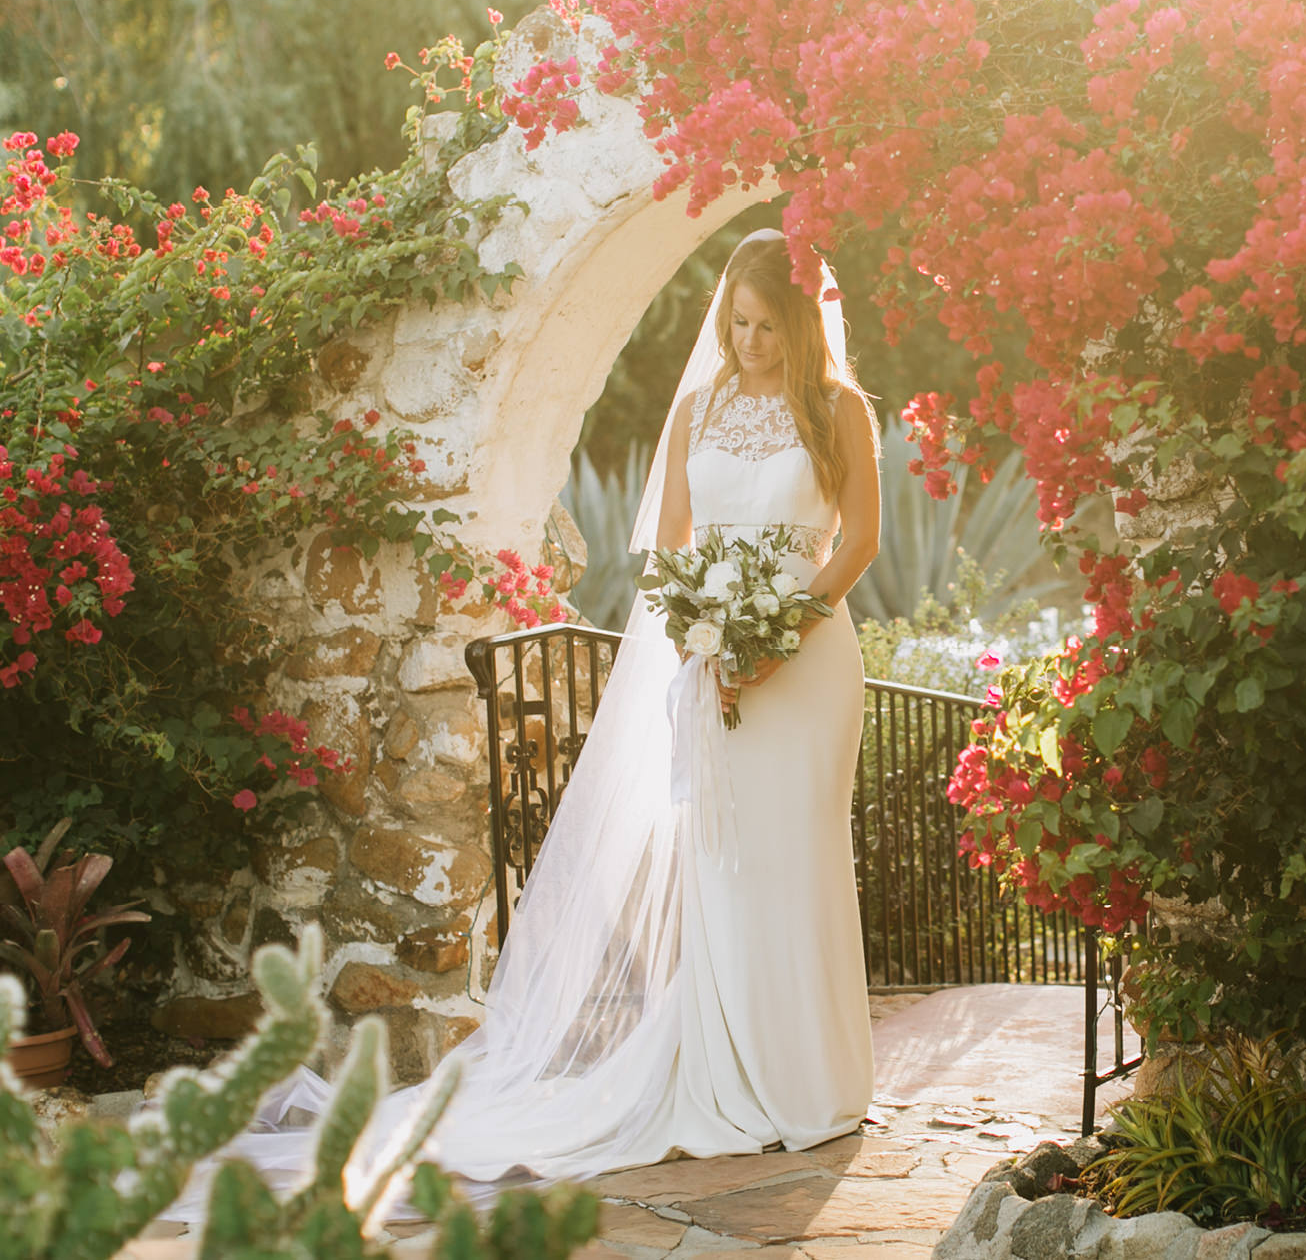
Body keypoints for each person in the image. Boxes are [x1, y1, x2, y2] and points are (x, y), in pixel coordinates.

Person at [161, 229, 882, 1216]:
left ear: (802, 322)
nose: (748, 342)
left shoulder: (838, 408)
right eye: (737, 323)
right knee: (722, 860)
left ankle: (817, 1080)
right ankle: (734, 1073)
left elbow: (858, 543)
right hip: (713, 659)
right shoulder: (699, 408)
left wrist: (778, 634)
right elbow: (667, 551)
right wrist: (706, 644)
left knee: (799, 849)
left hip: (805, 664)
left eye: (767, 326)